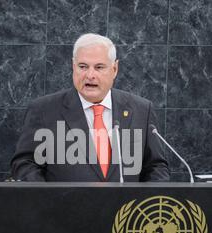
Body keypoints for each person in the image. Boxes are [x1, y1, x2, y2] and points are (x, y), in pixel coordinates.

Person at [10, 33, 170, 182]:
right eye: (83, 66)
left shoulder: (141, 110)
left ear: (114, 69)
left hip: (125, 211)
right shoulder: (43, 110)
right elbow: (25, 163)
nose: (90, 75)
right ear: (73, 67)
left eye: (99, 67)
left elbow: (156, 167)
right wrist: (47, 201)